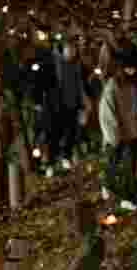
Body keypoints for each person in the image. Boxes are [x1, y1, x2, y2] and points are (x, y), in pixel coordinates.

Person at [99, 43, 137, 212]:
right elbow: (107, 113)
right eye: (128, 68)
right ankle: (108, 185)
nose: (131, 72)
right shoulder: (113, 87)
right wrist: (114, 136)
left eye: (133, 68)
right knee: (112, 164)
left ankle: (127, 196)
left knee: (130, 167)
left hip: (133, 133)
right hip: (117, 135)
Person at [46, 36, 91, 175]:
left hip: (73, 104)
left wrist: (84, 104)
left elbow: (81, 86)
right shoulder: (56, 63)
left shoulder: (77, 66)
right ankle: (51, 163)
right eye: (69, 50)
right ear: (64, 50)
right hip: (58, 106)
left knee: (71, 133)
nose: (72, 52)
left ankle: (66, 156)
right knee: (55, 134)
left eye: (74, 50)